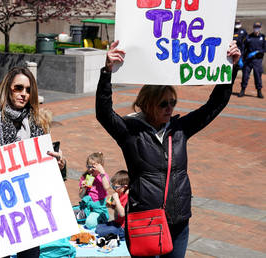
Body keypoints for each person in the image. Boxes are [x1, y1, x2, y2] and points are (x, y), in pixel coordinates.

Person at [96, 40, 240, 257]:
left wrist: (231, 67)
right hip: (146, 220)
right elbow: (104, 112)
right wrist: (107, 72)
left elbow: (214, 105)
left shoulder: (179, 129)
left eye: (172, 102)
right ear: (147, 103)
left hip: (178, 220)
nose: (170, 108)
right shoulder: (130, 131)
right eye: (164, 103)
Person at [0, 66, 66, 258]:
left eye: (28, 89)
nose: (24, 94)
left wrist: (59, 165)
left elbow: (49, 163)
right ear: (8, 88)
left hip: (30, 208)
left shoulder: (39, 122)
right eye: (18, 88)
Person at [77, 152, 110, 229]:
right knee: (72, 215)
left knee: (89, 223)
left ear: (100, 167)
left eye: (93, 167)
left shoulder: (102, 176)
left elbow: (107, 187)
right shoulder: (86, 177)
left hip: (98, 209)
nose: (90, 169)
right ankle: (87, 216)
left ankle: (102, 217)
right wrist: (84, 188)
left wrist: (102, 172)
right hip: (87, 206)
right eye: (88, 166)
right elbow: (81, 196)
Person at [95, 170, 129, 240]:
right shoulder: (120, 194)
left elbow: (122, 213)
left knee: (100, 231)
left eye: (116, 187)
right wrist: (111, 206)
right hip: (117, 223)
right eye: (113, 187)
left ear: (124, 187)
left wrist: (116, 199)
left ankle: (121, 236)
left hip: (123, 228)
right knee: (98, 227)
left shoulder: (127, 197)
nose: (114, 189)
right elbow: (118, 210)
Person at [240, 22, 266, 98]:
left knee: (258, 76)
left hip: (257, 60)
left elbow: (265, 48)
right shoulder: (248, 37)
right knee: (245, 75)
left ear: (260, 28)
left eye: (258, 27)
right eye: (255, 27)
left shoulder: (263, 37)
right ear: (253, 27)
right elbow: (243, 48)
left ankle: (259, 91)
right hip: (248, 60)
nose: (256, 28)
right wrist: (241, 58)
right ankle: (242, 90)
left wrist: (257, 52)